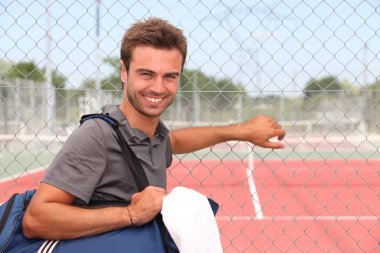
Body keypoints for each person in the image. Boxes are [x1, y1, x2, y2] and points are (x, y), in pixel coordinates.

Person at [22, 17, 285, 240]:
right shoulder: (96, 135)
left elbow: (176, 142)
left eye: (170, 76)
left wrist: (240, 131)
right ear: (124, 72)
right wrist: (131, 214)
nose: (158, 88)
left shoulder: (154, 136)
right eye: (146, 74)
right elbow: (36, 219)